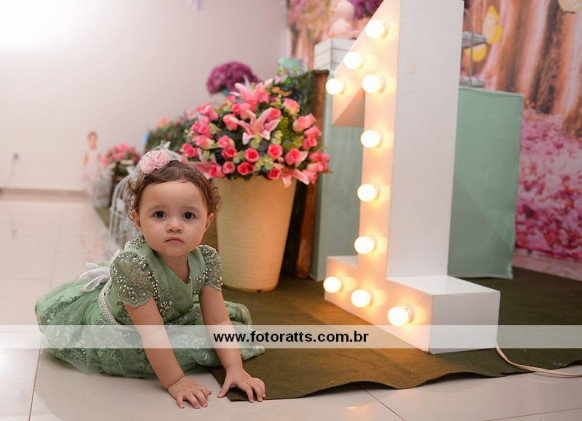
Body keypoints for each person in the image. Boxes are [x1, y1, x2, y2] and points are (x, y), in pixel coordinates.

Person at [36, 149, 266, 409]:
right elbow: (153, 333)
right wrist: (176, 380)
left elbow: (218, 320)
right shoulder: (134, 266)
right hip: (127, 329)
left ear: (207, 222)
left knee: (232, 333)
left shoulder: (207, 259)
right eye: (159, 215)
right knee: (180, 348)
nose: (174, 225)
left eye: (188, 216)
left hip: (163, 316)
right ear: (138, 220)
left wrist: (235, 368)